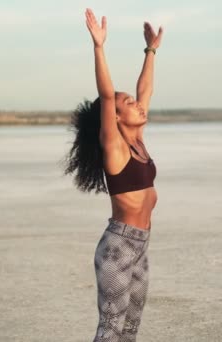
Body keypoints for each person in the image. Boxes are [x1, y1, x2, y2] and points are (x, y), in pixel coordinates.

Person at [64, 8, 164, 342]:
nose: (138, 105)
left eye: (136, 102)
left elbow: (145, 89)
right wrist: (98, 47)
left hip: (140, 247)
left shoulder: (137, 141)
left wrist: (150, 51)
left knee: (130, 330)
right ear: (116, 118)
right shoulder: (115, 148)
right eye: (129, 104)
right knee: (110, 330)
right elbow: (108, 96)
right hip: (118, 247)